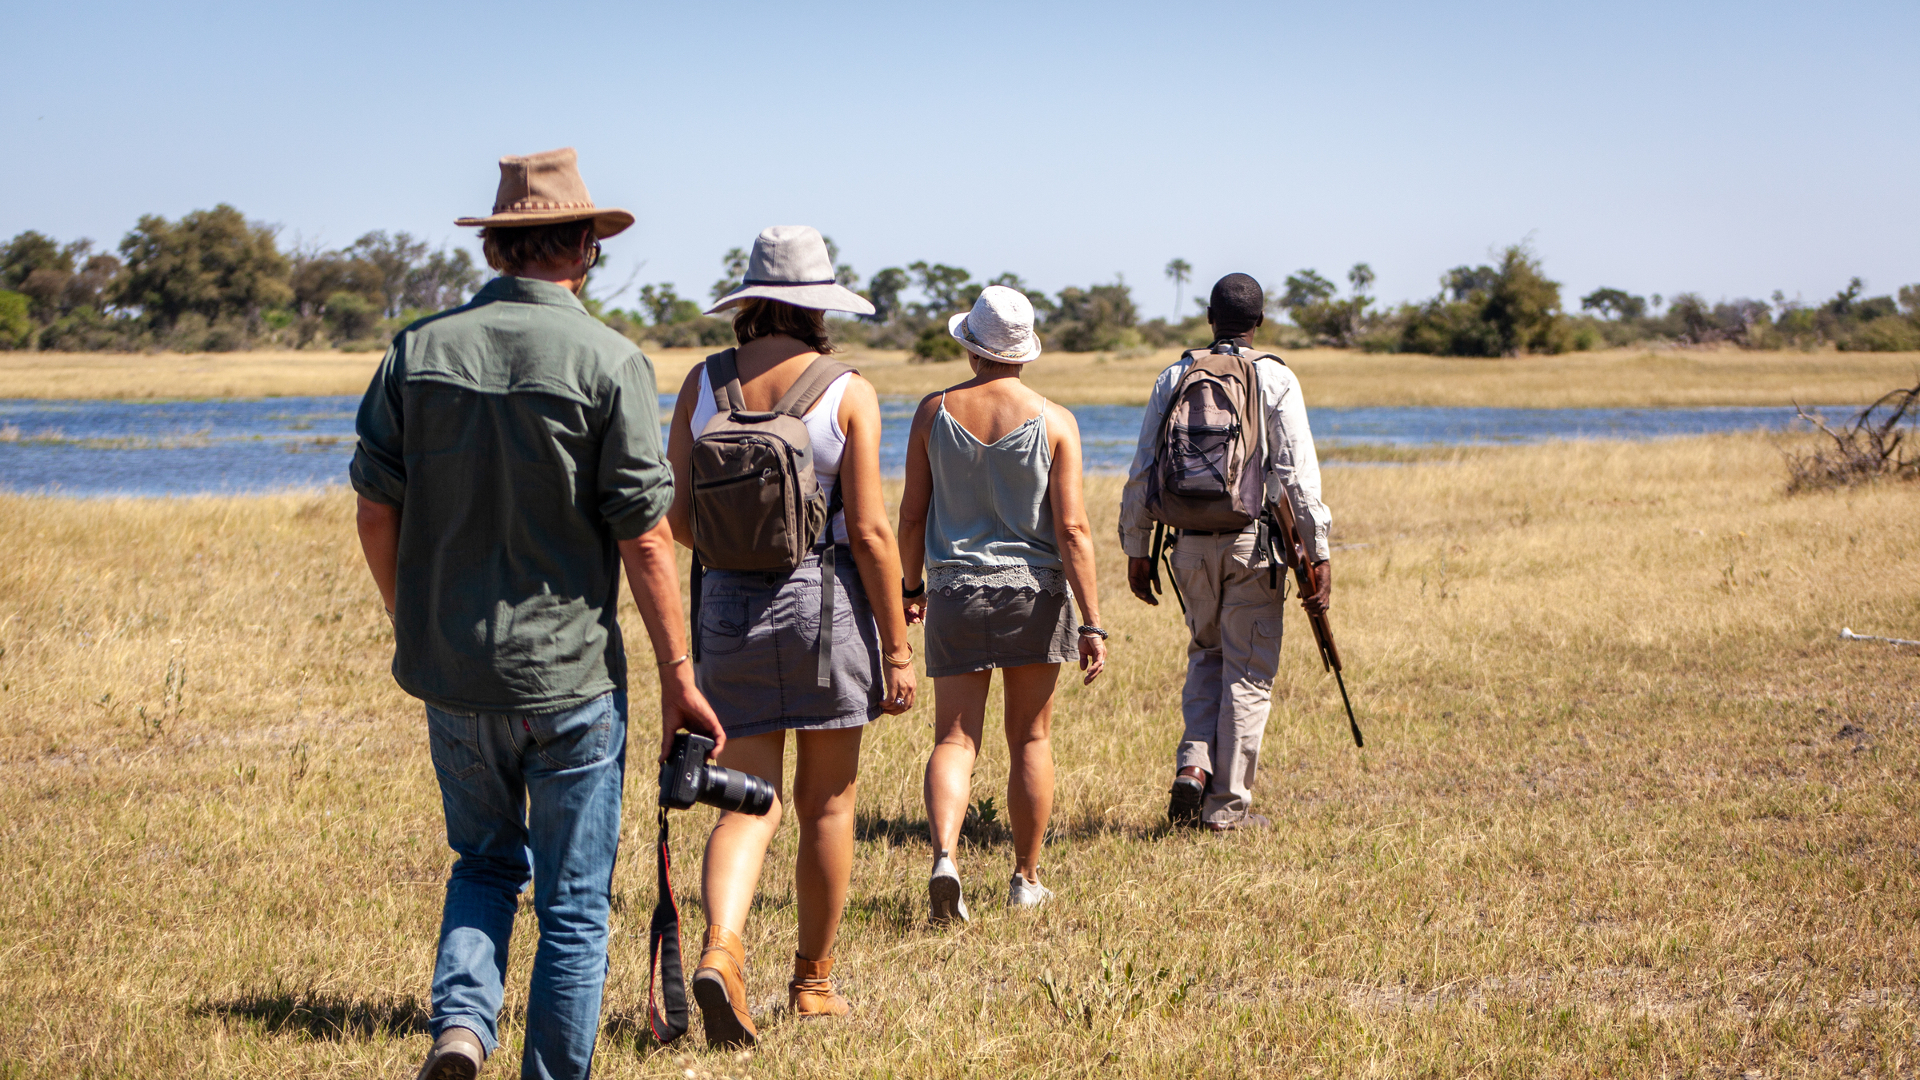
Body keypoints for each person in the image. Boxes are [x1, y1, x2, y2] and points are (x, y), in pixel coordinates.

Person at [352, 148, 724, 1080]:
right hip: (570, 683)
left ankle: (461, 1027)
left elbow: (374, 508)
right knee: (573, 904)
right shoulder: (612, 361)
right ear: (587, 248)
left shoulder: (417, 350)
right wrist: (680, 678)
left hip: (454, 673)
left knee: (482, 862)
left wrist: (414, 621)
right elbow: (646, 539)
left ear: (495, 248)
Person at [664, 225, 916, 1048]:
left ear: (749, 301)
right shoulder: (849, 391)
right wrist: (899, 650)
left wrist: (739, 546)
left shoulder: (702, 383)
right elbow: (871, 533)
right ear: (819, 307)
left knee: (747, 799)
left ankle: (722, 948)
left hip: (725, 606)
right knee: (828, 803)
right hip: (825, 604)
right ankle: (812, 982)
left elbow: (677, 520)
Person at [897, 285, 1107, 923]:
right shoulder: (1056, 420)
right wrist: (1093, 622)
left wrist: (911, 588)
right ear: (1023, 352)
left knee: (955, 738)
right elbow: (1073, 530)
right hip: (1034, 595)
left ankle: (945, 857)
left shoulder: (933, 412)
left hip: (955, 592)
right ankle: (1025, 877)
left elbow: (911, 516)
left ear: (972, 349)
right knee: (1031, 738)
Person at [1118, 273, 1333, 833]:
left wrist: (1137, 548)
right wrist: (1318, 554)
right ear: (1259, 322)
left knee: (1205, 654)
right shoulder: (1275, 377)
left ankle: (1193, 764)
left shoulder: (1175, 374)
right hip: (1251, 548)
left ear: (1210, 319)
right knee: (1248, 674)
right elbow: (1296, 476)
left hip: (1187, 548)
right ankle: (1225, 811)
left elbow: (1143, 470)